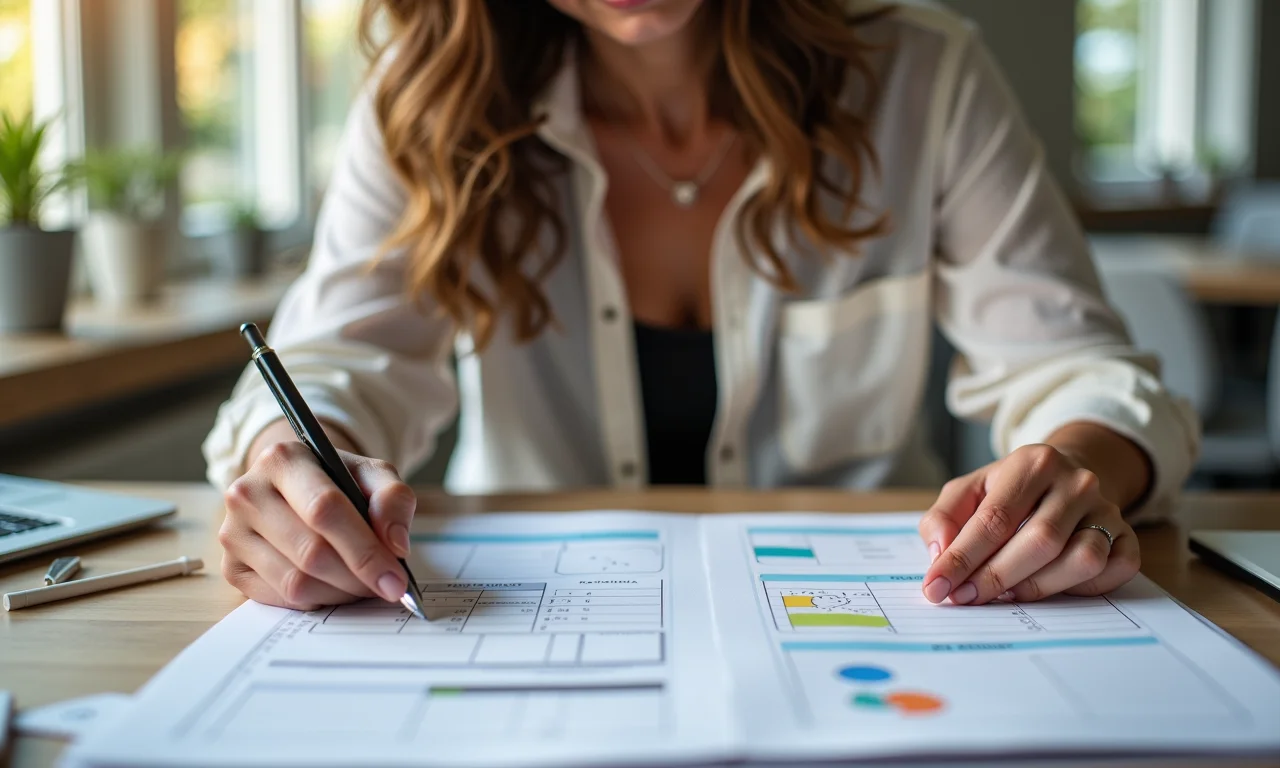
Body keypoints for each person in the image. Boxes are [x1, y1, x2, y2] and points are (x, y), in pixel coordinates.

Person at [204, 0, 1199, 614]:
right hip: (530, 623)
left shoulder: (922, 76)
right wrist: (295, 471)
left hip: (893, 610)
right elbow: (336, 359)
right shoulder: (424, 100)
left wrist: (1076, 469)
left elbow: (1073, 367)